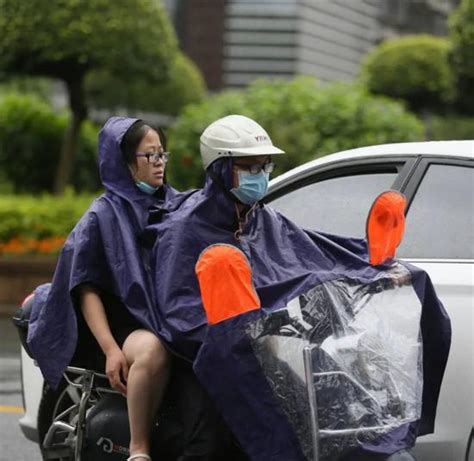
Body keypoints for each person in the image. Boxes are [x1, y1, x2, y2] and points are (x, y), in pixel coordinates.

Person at [144, 115, 451, 460]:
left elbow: (318, 256)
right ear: (219, 168)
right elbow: (180, 315)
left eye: (265, 166)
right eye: (249, 167)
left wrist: (376, 269)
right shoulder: (184, 230)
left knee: (355, 418)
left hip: (286, 358)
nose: (260, 176)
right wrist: (247, 332)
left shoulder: (266, 219)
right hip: (222, 365)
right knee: (209, 444)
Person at [28, 117, 175, 461]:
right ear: (124, 163)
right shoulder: (101, 217)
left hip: (167, 317)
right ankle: (138, 448)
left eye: (162, 155)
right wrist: (111, 349)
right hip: (125, 327)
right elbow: (85, 287)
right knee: (153, 350)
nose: (159, 164)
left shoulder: (174, 204)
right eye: (149, 156)